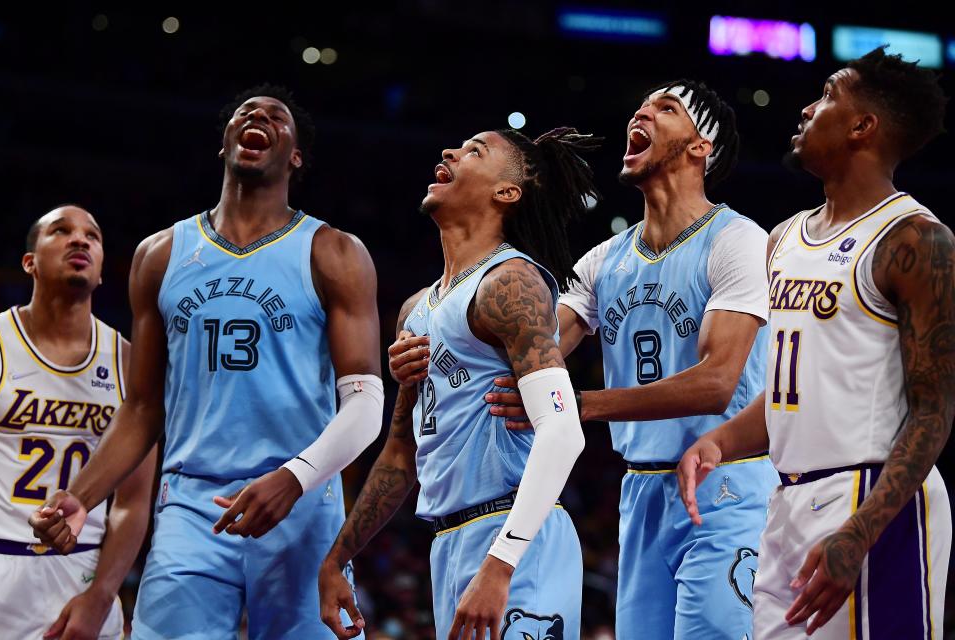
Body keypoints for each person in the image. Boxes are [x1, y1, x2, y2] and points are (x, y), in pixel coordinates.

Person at [391, 79, 775, 640]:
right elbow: (528, 347)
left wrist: (580, 406)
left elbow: (718, 381)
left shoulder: (735, 239)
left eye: (666, 110)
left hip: (725, 486)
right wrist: (427, 342)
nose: (641, 114)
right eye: (641, 106)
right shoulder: (604, 261)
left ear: (701, 148)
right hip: (640, 489)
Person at [30, 86, 384, 639]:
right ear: (226, 144)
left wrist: (295, 478)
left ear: (295, 156)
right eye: (246, 112)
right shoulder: (159, 255)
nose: (257, 116)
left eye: (276, 116)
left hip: (302, 505)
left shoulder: (333, 251)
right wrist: (82, 497)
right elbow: (143, 406)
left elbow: (365, 405)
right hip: (191, 508)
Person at [677, 47, 952, 638]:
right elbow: (789, 396)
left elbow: (934, 410)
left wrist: (861, 531)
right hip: (788, 503)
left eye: (826, 94)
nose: (806, 108)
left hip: (874, 499)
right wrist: (721, 440)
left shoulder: (916, 240)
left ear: (862, 126)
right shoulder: (783, 240)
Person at [319, 127, 599, 640]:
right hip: (447, 543)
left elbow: (563, 434)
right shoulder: (415, 310)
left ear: (507, 192)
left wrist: (501, 565)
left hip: (517, 540)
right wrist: (339, 558)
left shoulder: (512, 282)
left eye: (476, 151)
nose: (449, 151)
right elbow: (401, 454)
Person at [0, 205, 156, 639]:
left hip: (84, 574)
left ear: (102, 271)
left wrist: (101, 596)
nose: (80, 240)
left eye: (93, 235)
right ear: (30, 262)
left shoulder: (128, 362)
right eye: (61, 231)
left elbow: (132, 502)